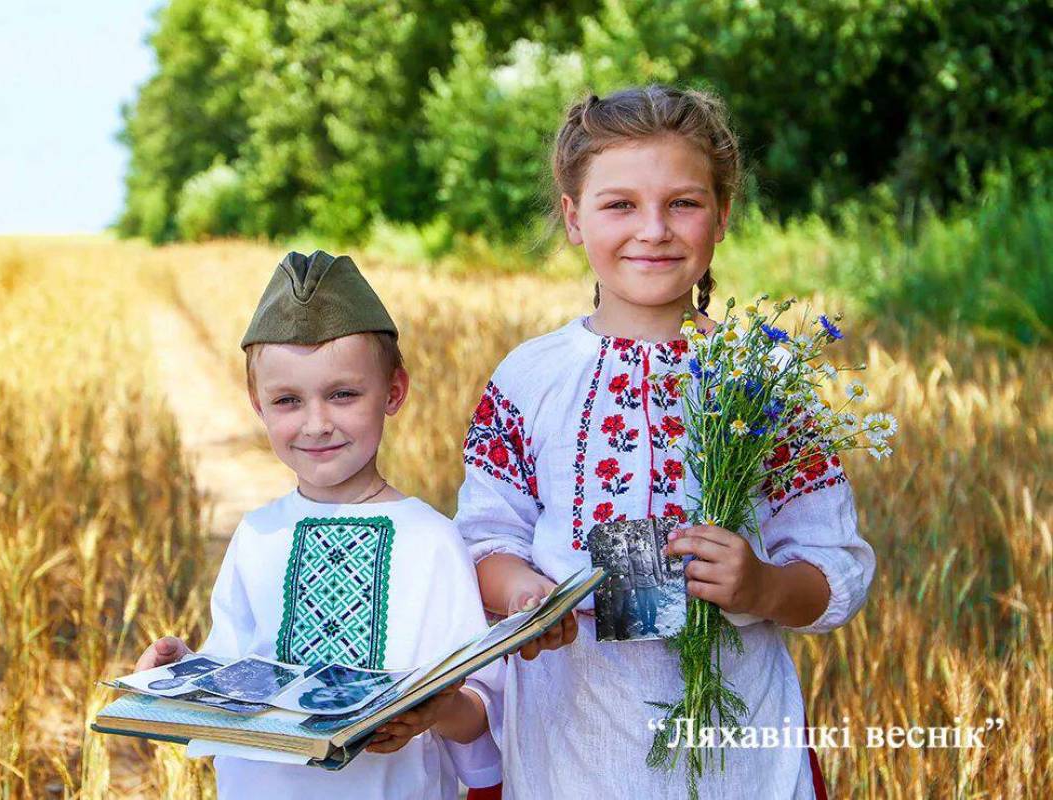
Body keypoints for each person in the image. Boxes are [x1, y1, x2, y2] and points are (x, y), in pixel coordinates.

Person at [454, 85, 874, 798]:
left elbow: (835, 567)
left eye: (683, 203)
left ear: (722, 216)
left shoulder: (763, 378)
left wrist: (763, 584)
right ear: (573, 219)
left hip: (739, 745)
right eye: (619, 204)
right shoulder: (529, 378)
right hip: (572, 738)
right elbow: (485, 538)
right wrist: (525, 595)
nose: (653, 229)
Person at [135, 250, 502, 800]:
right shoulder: (256, 534)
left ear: (393, 392)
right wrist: (177, 675)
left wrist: (440, 708)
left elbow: (480, 714)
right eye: (288, 400)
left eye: (343, 394)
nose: (316, 423)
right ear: (258, 405)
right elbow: (232, 671)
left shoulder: (431, 541)